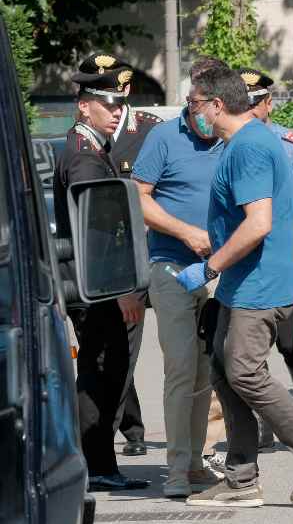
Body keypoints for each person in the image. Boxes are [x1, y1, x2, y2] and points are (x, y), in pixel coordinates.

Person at [176, 66, 293, 507]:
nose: (192, 111)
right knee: (222, 367)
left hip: (259, 282)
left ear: (218, 105)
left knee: (245, 372)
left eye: (196, 103)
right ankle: (241, 479)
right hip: (244, 280)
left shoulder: (249, 147)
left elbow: (259, 223)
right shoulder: (244, 143)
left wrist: (210, 267)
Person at [52, 52, 149, 491]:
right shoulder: (84, 157)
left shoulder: (88, 148)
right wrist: (122, 288)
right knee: (101, 374)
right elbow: (98, 233)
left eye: (118, 103)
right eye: (106, 103)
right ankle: (95, 467)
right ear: (84, 104)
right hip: (97, 286)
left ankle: (95, 464)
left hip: (95, 284)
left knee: (104, 371)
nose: (116, 111)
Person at [131, 58, 226, 498]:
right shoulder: (164, 137)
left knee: (207, 371)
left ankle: (195, 461)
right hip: (170, 266)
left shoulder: (233, 138)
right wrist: (186, 232)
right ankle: (175, 469)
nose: (198, 113)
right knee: (181, 367)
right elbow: (140, 198)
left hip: (220, 271)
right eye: (192, 103)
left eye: (205, 105)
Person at [238, 67, 293, 425]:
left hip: (287, 259)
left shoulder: (292, 145)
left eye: (255, 103)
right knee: (244, 350)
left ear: (268, 104)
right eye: (244, 104)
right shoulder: (229, 144)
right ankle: (258, 423)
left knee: (289, 342)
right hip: (245, 259)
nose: (250, 111)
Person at [110, 90, 164, 458]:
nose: (112, 108)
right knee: (120, 349)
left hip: (160, 251)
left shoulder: (151, 131)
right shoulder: (86, 135)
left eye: (116, 99)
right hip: (117, 261)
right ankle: (130, 430)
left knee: (193, 350)